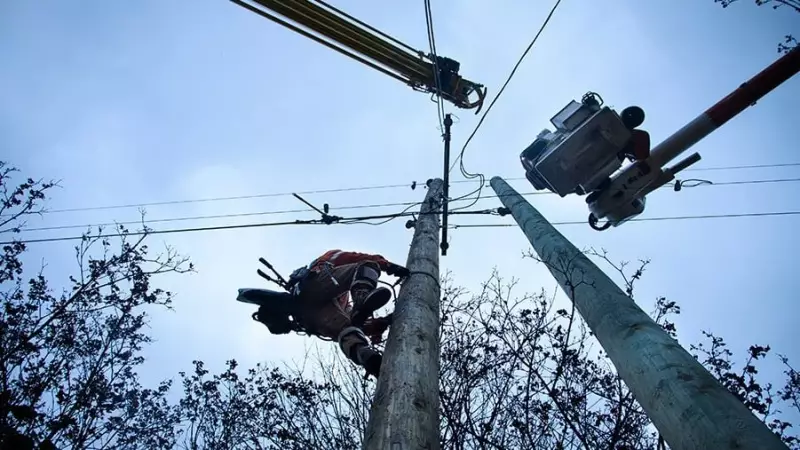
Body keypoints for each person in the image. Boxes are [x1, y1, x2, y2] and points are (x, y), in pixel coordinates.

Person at [253, 249, 409, 378]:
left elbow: (357, 322)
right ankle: (361, 296)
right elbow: (360, 258)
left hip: (310, 315)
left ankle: (367, 358)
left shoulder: (343, 301)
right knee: (368, 266)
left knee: (347, 330)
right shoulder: (329, 259)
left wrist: (382, 323)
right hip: (314, 286)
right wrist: (388, 266)